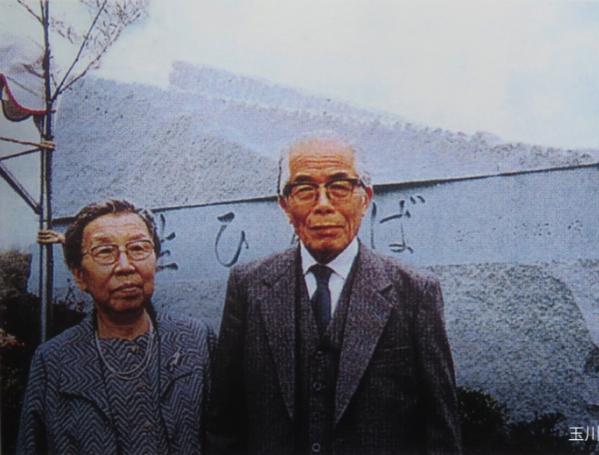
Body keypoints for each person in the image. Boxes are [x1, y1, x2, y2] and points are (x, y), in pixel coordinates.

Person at [208, 135, 462, 454]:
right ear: (284, 205)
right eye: (305, 189)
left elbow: (440, 430)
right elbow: (224, 422)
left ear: (365, 198)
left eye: (339, 187)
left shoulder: (415, 292)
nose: (323, 204)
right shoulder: (248, 286)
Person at [17, 199, 215, 454]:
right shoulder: (53, 361)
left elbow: (227, 438)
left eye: (138, 248)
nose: (125, 266)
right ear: (79, 275)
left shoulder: (195, 339)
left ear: (155, 259)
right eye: (104, 252)